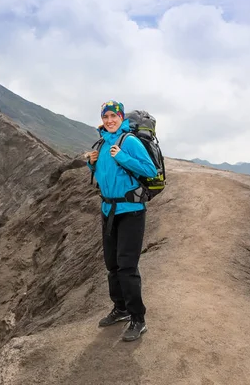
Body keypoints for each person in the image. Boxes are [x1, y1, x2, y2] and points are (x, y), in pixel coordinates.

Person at [87, 100, 157, 342]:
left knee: (127, 267)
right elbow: (104, 176)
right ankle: (121, 309)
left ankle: (138, 319)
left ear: (121, 117)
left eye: (113, 116)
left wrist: (123, 158)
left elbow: (150, 170)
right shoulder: (103, 143)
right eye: (105, 117)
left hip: (131, 211)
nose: (109, 121)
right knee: (112, 265)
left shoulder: (129, 141)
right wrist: (92, 163)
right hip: (108, 210)